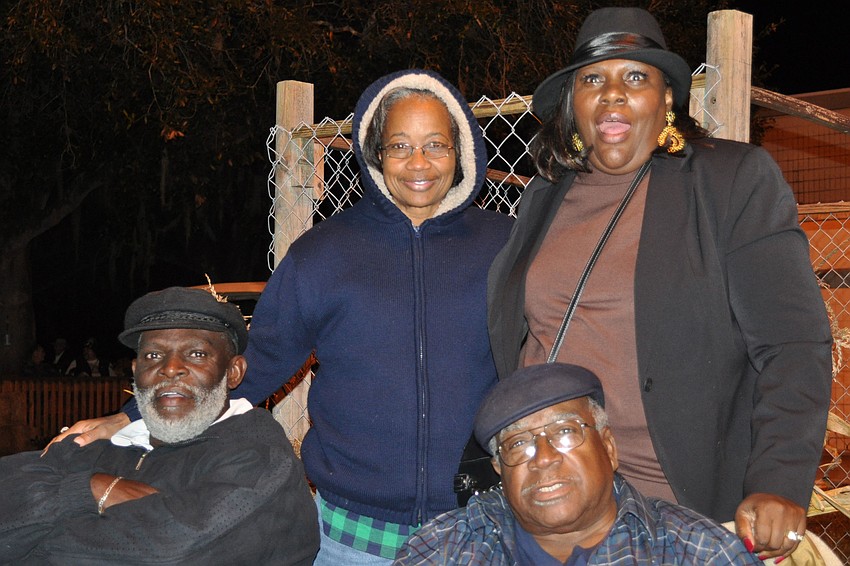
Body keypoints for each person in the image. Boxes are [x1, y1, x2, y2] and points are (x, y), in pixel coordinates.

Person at [51, 69, 513, 564]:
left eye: (435, 145)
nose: (418, 163)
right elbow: (255, 363)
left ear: (460, 150)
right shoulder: (323, 253)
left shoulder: (504, 244)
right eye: (400, 145)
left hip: (478, 523)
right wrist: (128, 419)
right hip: (350, 535)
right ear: (375, 151)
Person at [486, 7, 833, 562]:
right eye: (593, 79)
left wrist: (778, 480)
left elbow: (793, 345)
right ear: (573, 106)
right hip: (555, 502)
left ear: (667, 99)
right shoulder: (543, 196)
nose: (613, 94)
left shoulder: (730, 181)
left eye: (636, 77)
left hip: (676, 509)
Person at [1, 287, 319, 565]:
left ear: (233, 372)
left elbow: (170, 555)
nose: (170, 369)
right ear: (136, 370)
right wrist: (90, 488)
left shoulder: (259, 456)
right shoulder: (101, 440)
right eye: (154, 354)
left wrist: (30, 541)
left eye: (196, 354)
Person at [396, 363, 763, 565]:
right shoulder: (444, 548)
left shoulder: (697, 552)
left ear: (609, 447)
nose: (543, 458)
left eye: (566, 432)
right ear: (500, 470)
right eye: (519, 443)